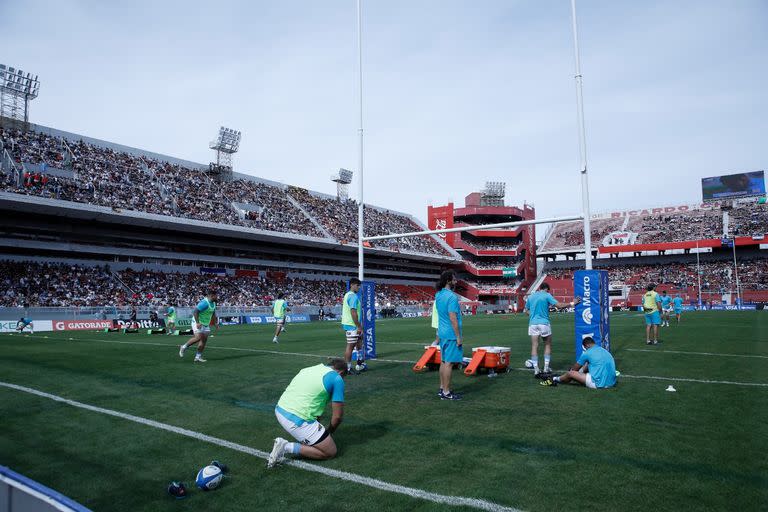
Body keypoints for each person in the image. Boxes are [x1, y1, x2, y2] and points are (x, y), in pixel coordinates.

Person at [267, 358, 347, 467]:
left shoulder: (309, 369)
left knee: (316, 435)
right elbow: (337, 417)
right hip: (296, 419)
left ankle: (304, 440)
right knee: (330, 451)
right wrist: (329, 432)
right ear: (341, 373)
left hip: (280, 410)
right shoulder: (337, 379)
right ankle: (285, 446)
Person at [524, 283, 579, 376]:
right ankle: (546, 368)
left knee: (534, 346)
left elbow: (526, 310)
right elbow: (559, 305)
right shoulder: (547, 295)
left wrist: (533, 315)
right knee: (547, 345)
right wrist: (572, 303)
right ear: (546, 289)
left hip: (533, 324)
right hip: (544, 323)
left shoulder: (531, 296)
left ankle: (536, 370)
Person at [540, 337, 616, 389]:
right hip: (611, 382)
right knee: (587, 364)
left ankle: (555, 379)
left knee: (571, 373)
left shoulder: (587, 353)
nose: (585, 349)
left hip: (599, 384)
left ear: (587, 345)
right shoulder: (604, 350)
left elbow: (574, 369)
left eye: (585, 347)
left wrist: (574, 372)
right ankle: (574, 376)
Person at [435, 270, 463, 400]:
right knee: (449, 363)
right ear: (448, 281)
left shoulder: (439, 294)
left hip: (442, 332)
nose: (456, 281)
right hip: (451, 334)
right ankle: (446, 392)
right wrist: (458, 337)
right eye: (454, 279)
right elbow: (453, 318)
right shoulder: (451, 297)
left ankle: (442, 388)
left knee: (443, 361)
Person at [179, 290, 218, 363]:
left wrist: (215, 323)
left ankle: (198, 357)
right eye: (216, 296)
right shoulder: (204, 303)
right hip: (197, 322)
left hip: (206, 324)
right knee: (198, 338)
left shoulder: (213, 303)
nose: (217, 297)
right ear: (212, 295)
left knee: (204, 341)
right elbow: (195, 311)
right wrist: (197, 323)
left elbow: (213, 312)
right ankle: (183, 347)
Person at [341, 278, 364, 374]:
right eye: (357, 285)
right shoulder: (353, 296)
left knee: (359, 342)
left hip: (351, 324)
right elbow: (353, 312)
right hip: (352, 325)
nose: (359, 287)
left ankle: (359, 362)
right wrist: (358, 326)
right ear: (352, 285)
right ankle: (348, 368)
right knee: (350, 346)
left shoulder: (348, 295)